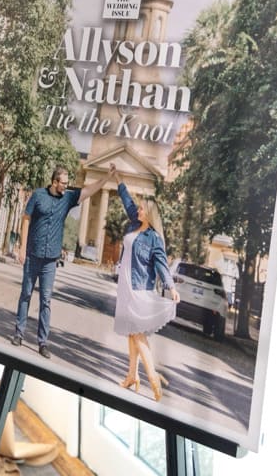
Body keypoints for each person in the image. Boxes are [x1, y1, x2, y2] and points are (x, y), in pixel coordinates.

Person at [12, 165, 110, 358]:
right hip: (32, 254)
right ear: (55, 182)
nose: (66, 186)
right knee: (26, 294)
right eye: (63, 183)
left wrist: (107, 177)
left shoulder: (68, 198)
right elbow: (26, 218)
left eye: (67, 183)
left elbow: (89, 190)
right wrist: (22, 248)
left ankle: (42, 343)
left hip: (50, 261)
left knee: (46, 300)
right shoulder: (38, 195)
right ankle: (19, 333)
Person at [111, 165, 179, 401]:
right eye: (138, 208)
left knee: (138, 334)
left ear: (149, 213)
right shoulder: (133, 223)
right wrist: (118, 177)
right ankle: (132, 376)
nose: (137, 210)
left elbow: (161, 264)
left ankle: (152, 378)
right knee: (132, 334)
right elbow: (126, 198)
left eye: (141, 208)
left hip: (140, 289)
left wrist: (171, 287)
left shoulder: (154, 239)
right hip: (126, 286)